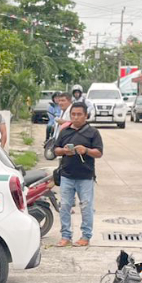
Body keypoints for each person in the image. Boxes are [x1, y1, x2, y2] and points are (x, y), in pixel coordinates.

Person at [54, 101, 103, 247]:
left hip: (85, 177)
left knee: (86, 207)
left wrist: (86, 150)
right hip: (66, 175)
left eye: (79, 114)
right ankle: (65, 236)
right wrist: (64, 151)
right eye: (73, 114)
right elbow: (55, 149)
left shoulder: (93, 133)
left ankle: (85, 236)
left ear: (86, 116)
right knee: (65, 206)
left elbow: (99, 152)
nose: (76, 117)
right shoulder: (65, 131)